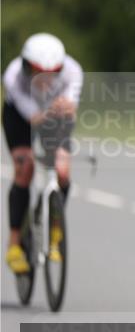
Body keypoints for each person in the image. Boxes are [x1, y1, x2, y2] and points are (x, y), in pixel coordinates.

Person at [3, 33, 83, 274]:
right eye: (36, 71)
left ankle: (55, 229)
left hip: (53, 114)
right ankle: (14, 243)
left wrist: (67, 108)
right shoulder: (13, 74)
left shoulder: (73, 71)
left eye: (52, 72)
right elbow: (32, 115)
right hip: (19, 115)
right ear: (26, 65)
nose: (44, 78)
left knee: (62, 170)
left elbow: (70, 107)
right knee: (25, 167)